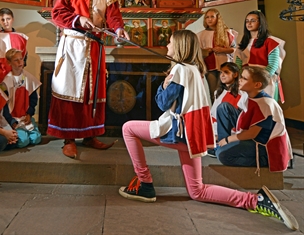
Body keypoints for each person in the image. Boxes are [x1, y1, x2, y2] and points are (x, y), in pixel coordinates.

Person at [118, 30, 298, 231]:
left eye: (170, 43)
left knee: (128, 128)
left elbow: (162, 103)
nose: (167, 47)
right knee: (197, 190)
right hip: (193, 133)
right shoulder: (195, 69)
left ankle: (145, 184)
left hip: (178, 131)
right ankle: (255, 201)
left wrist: (164, 83)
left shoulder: (179, 70)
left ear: (179, 47)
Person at [47, 0, 129, 159]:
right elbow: (57, 14)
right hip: (72, 49)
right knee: (70, 90)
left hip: (94, 49)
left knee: (91, 93)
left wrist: (119, 30)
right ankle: (69, 139)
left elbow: (114, 19)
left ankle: (90, 135)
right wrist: (78, 19)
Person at [216, 66, 293, 171]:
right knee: (224, 108)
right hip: (253, 137)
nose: (240, 80)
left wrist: (228, 139)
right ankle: (222, 145)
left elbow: (252, 134)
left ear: (257, 85)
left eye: (244, 78)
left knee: (223, 155)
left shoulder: (265, 104)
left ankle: (264, 160)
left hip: (263, 145)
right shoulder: (251, 96)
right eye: (241, 77)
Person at [234, 10, 285, 101]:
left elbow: (273, 65)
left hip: (264, 81)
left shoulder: (271, 42)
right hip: (246, 80)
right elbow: (238, 64)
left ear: (261, 22)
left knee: (265, 107)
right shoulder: (243, 43)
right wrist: (243, 78)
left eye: (253, 20)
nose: (249, 23)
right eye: (247, 21)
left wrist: (259, 79)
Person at [2, 49, 42, 148]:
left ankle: (26, 130)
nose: (20, 62)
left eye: (21, 59)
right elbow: (3, 104)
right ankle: (14, 134)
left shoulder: (29, 78)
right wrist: (11, 121)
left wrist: (29, 113)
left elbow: (33, 99)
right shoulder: (5, 81)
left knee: (36, 139)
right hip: (12, 117)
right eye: (16, 60)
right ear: (9, 62)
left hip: (25, 116)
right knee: (23, 141)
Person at [197, 8, 238, 103]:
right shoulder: (200, 35)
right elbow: (197, 52)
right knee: (214, 91)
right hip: (209, 66)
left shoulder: (227, 32)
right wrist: (205, 51)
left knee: (227, 89)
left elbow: (234, 48)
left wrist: (223, 50)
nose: (209, 19)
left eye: (212, 17)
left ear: (218, 18)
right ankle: (216, 112)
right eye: (207, 17)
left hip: (225, 65)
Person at [208, 62, 248, 157]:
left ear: (235, 74)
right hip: (217, 127)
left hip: (234, 128)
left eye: (226, 72)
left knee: (224, 107)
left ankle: (223, 145)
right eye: (221, 72)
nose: (222, 75)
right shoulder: (218, 92)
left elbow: (239, 117)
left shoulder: (241, 93)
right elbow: (213, 114)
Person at [0, 8, 28, 84]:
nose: (5, 22)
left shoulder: (21, 36)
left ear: (12, 19)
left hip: (16, 69)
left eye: (8, 19)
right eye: (2, 20)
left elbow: (24, 55)